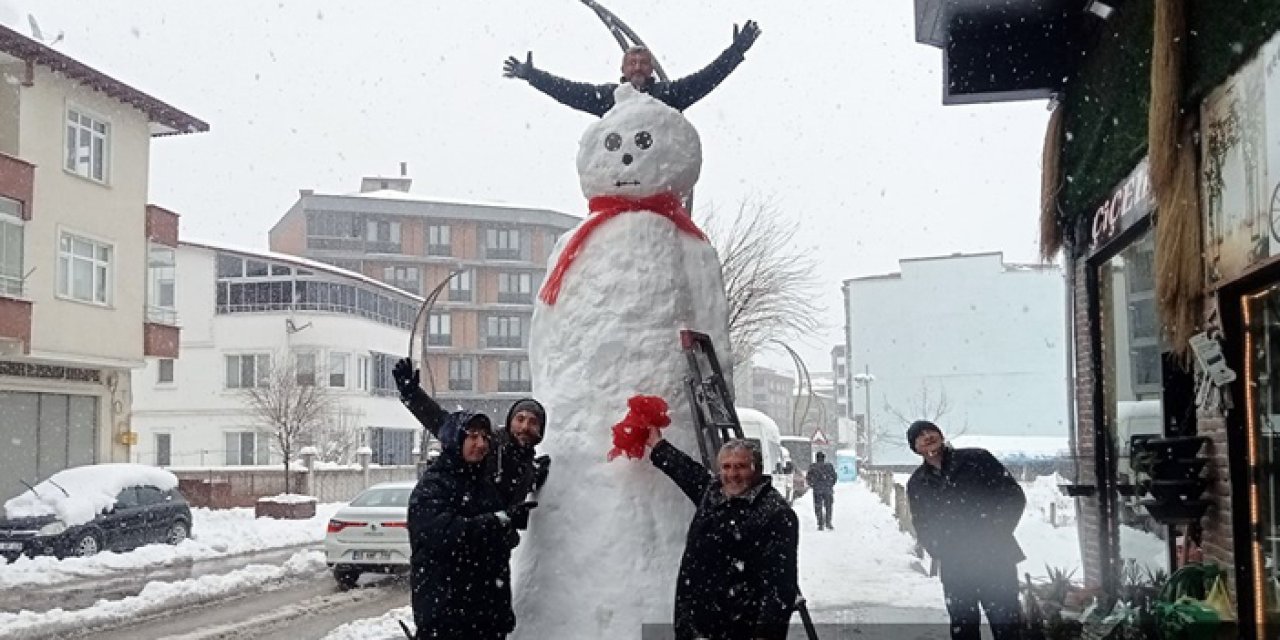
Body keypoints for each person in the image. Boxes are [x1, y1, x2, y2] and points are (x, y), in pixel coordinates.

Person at [646, 427, 799, 640]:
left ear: (757, 469)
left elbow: (780, 587)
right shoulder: (714, 494)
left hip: (738, 629)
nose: (732, 474)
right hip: (696, 626)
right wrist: (658, 445)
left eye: (741, 467)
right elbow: (688, 473)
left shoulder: (775, 513)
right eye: (726, 467)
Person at [407, 411, 538, 639]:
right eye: (473, 436)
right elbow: (443, 534)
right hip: (447, 622)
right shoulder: (434, 485)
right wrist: (497, 521)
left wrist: (508, 525)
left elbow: (499, 542)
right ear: (455, 440)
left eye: (486, 437)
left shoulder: (484, 486)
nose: (481, 444)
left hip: (487, 620)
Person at [905, 420, 1026, 640]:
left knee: (1007, 626)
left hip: (995, 560)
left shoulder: (976, 459)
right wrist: (940, 549)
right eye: (920, 436)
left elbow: (1013, 496)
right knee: (963, 629)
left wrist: (995, 532)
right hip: (956, 567)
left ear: (941, 435)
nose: (927, 436)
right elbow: (922, 523)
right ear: (915, 448)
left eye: (931, 431)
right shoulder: (917, 483)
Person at [393, 358, 550, 523]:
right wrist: (412, 395)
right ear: (510, 420)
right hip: (463, 536)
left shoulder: (527, 467)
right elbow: (443, 423)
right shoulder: (490, 442)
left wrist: (536, 474)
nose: (525, 427)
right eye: (520, 419)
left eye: (533, 422)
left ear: (541, 431)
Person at [501, 20, 762, 117]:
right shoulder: (608, 98)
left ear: (651, 70)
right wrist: (533, 76)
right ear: (623, 69)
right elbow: (568, 90)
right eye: (632, 63)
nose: (638, 67)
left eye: (643, 63)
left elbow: (707, 78)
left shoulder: (668, 96)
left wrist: (735, 52)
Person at [806, 451, 837, 530]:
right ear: (824, 458)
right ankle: (828, 522)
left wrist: (813, 485)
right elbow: (834, 477)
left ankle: (820, 523)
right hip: (827, 490)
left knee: (818, 507)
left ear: (816, 458)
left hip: (817, 490)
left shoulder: (813, 467)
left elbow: (808, 478)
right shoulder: (829, 466)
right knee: (828, 507)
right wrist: (830, 485)